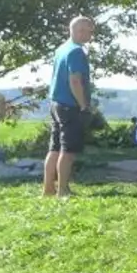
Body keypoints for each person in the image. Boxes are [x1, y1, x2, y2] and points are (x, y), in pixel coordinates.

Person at [44, 16, 95, 198]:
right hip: (70, 106)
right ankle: (62, 190)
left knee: (54, 148)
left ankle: (48, 189)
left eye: (90, 31)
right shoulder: (76, 52)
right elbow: (75, 80)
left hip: (55, 103)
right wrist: (83, 105)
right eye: (85, 31)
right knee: (68, 151)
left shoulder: (61, 49)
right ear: (75, 30)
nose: (88, 35)